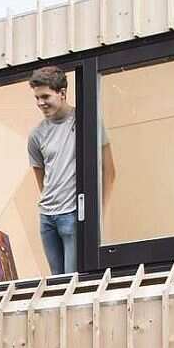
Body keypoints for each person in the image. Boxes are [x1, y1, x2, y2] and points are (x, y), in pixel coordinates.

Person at [26, 65, 115, 277]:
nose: (40, 103)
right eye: (37, 98)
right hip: (47, 218)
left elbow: (109, 170)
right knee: (58, 285)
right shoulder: (36, 135)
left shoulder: (86, 121)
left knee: (73, 283)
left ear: (62, 93)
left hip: (74, 215)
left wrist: (97, 214)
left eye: (45, 96)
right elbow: (41, 178)